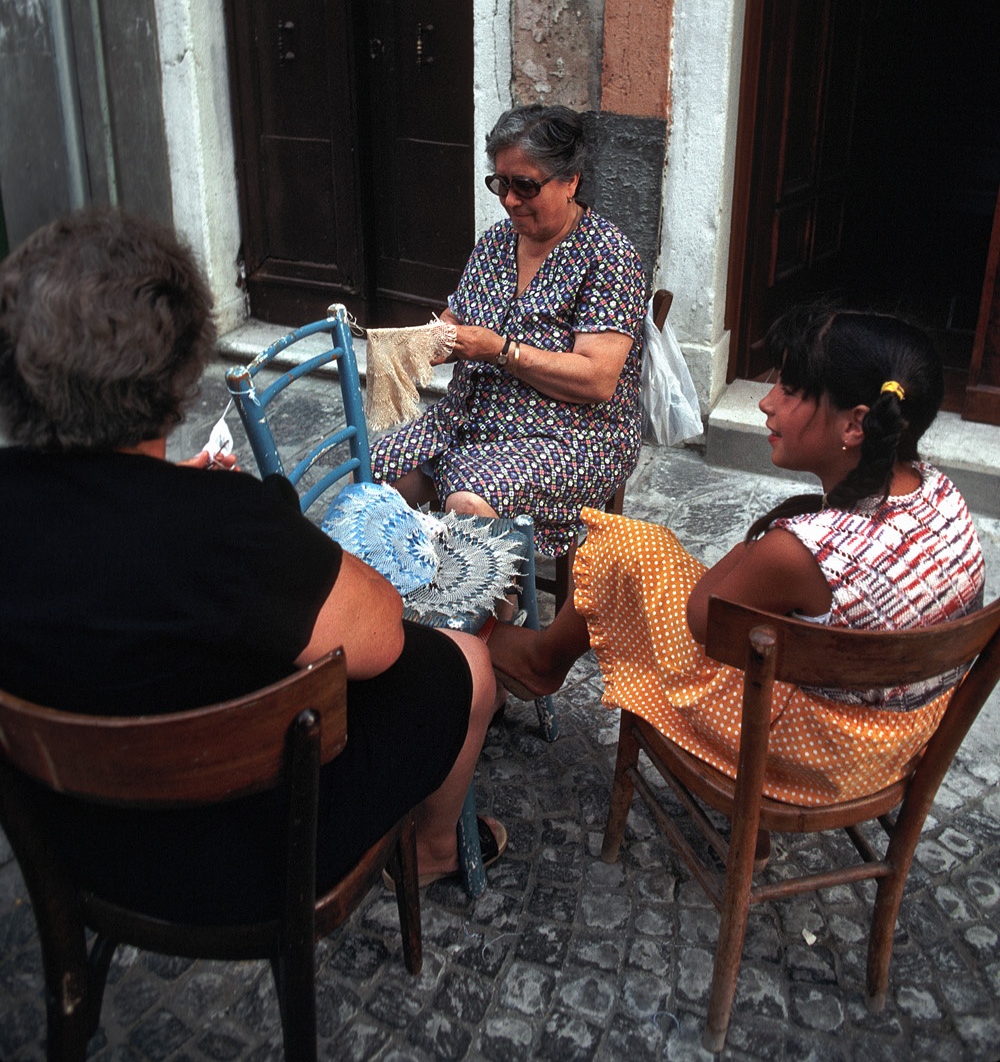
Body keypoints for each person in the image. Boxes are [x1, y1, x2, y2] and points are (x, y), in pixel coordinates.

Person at [0, 206, 502, 919]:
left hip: (76, 839)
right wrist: (247, 521)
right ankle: (436, 848)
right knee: (463, 665)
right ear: (178, 376)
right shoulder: (227, 530)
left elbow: (96, 547)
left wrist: (182, 499)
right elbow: (381, 634)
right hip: (254, 855)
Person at [488, 305, 986, 806]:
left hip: (803, 757)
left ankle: (542, 660)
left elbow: (704, 617)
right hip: (892, 749)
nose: (766, 403)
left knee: (629, 547)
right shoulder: (940, 493)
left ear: (856, 425)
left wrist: (757, 542)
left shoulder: (799, 550)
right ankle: (547, 657)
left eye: (789, 391)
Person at [371, 104, 647, 556]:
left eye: (525, 186)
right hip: (470, 418)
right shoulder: (496, 242)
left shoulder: (608, 257)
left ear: (570, 180)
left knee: (468, 499)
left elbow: (598, 380)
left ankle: (494, 615)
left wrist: (501, 351)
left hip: (571, 436)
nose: (510, 200)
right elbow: (456, 319)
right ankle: (409, 590)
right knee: (376, 471)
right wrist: (426, 342)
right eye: (501, 183)